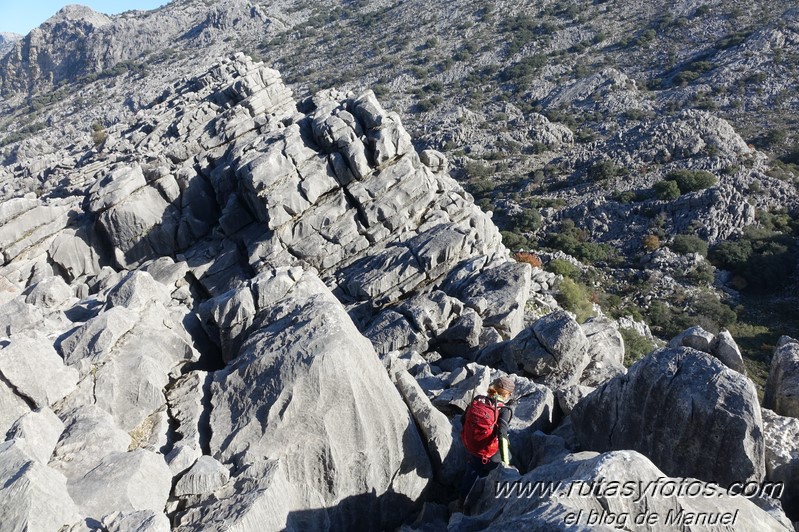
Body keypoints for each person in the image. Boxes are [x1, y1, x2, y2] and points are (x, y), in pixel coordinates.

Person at [458, 375, 514, 499]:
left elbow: (463, 420)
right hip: (487, 451)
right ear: (506, 395)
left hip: (470, 445)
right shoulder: (504, 410)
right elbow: (502, 435)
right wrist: (506, 463)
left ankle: (461, 500)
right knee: (509, 456)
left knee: (472, 470)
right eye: (510, 394)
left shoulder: (478, 399)